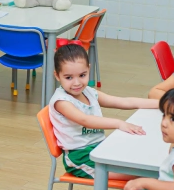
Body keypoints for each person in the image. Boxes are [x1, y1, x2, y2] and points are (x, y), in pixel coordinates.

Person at [49, 44, 157, 179]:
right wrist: (119, 123)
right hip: (81, 158)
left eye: (82, 75)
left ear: (89, 69)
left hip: (100, 148)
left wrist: (162, 103)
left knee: (144, 159)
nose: (77, 83)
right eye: (69, 77)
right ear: (57, 75)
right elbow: (85, 120)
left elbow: (124, 102)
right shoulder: (61, 101)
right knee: (143, 173)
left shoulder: (88, 92)